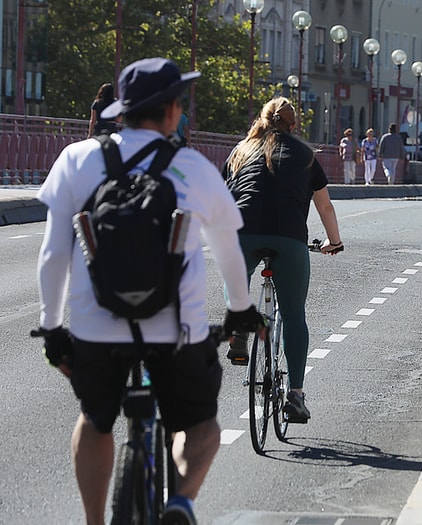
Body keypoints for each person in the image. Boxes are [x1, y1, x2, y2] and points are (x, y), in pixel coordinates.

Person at [35, 57, 263, 525]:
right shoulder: (193, 167)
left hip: (97, 327)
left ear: (122, 109)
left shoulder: (76, 160)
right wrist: (240, 309)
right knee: (201, 425)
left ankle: (96, 522)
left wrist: (53, 327)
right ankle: (180, 504)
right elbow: (229, 252)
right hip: (176, 329)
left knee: (96, 419)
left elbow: (54, 254)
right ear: (173, 110)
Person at [223, 96, 344, 423]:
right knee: (293, 315)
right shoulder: (305, 155)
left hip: (242, 233)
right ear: (293, 125)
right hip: (289, 238)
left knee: (235, 274)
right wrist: (334, 242)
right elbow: (325, 207)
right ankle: (295, 396)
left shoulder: (241, 151)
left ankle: (238, 326)